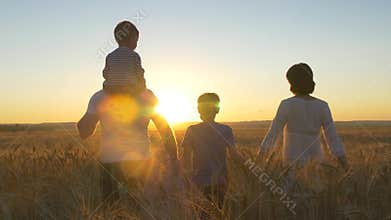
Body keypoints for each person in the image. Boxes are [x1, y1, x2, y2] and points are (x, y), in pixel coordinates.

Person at [77, 88, 178, 205]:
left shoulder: (99, 96)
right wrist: (173, 156)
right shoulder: (147, 95)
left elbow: (84, 133)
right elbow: (164, 128)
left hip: (109, 162)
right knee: (139, 205)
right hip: (141, 161)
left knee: (111, 205)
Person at [258, 63, 349, 171]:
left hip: (291, 164)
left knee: (291, 187)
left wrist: (259, 160)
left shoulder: (287, 104)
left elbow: (273, 133)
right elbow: (333, 138)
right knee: (316, 186)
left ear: (293, 83)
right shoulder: (322, 106)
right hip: (316, 163)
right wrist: (344, 164)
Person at [180, 93, 240, 209]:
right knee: (220, 212)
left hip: (198, 183)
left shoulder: (192, 130)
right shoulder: (226, 130)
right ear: (217, 110)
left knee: (200, 213)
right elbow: (235, 157)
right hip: (221, 182)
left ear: (198, 110)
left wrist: (183, 178)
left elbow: (185, 159)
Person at [102, 20, 146, 94]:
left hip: (112, 90)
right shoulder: (134, 56)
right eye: (136, 41)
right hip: (130, 89)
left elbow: (105, 73)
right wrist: (143, 86)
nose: (136, 44)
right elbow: (139, 74)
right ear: (132, 39)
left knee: (106, 85)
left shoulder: (110, 56)